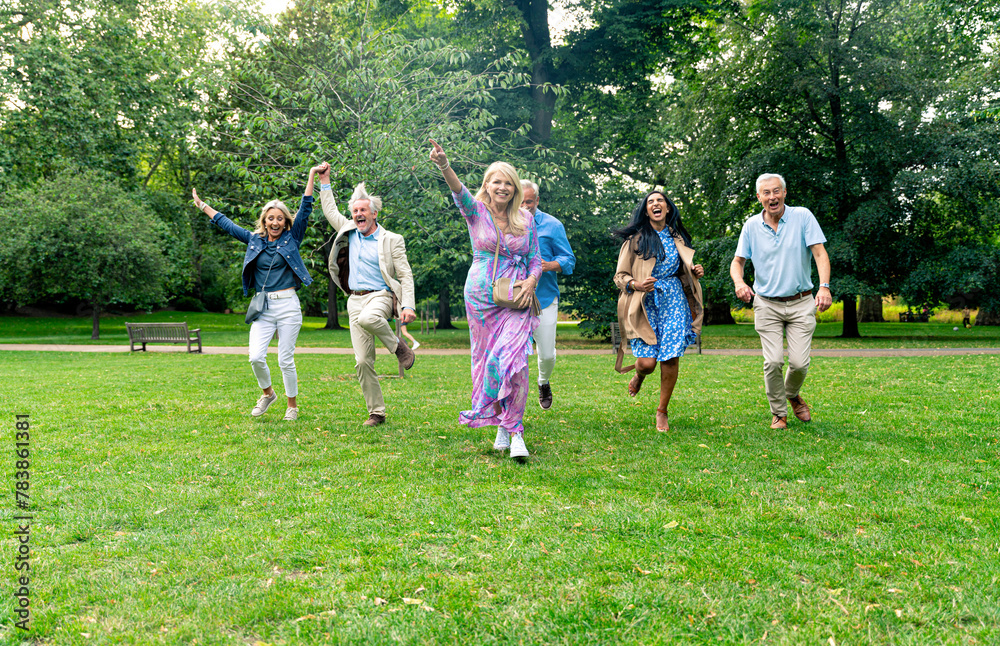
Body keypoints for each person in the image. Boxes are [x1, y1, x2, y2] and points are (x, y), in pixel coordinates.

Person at [429, 139, 542, 460]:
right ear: (487, 186)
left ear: (515, 188)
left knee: (516, 364)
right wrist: (443, 164)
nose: (502, 187)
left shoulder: (525, 218)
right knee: (489, 363)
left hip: (517, 294)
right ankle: (501, 427)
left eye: (508, 182)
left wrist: (532, 281)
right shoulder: (475, 211)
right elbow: (458, 191)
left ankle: (515, 432)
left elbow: (535, 258)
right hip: (481, 297)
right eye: (497, 181)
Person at [192, 165, 323, 421]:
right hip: (263, 308)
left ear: (286, 222)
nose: (275, 222)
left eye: (280, 218)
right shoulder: (254, 240)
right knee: (255, 357)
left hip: (288, 305)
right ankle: (268, 394)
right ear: (264, 221)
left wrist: (311, 175)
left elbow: (305, 208)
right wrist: (202, 205)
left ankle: (292, 406)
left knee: (285, 359)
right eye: (270, 218)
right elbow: (227, 225)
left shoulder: (292, 238)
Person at [315, 164, 416, 427]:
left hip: (380, 296)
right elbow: (329, 211)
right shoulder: (348, 230)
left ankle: (398, 347)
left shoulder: (392, 239)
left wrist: (408, 305)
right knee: (362, 361)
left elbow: (405, 275)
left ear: (374, 213)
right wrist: (324, 181)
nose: (358, 214)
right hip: (354, 299)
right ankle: (377, 412)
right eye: (355, 211)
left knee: (371, 318)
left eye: (363, 210)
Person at [730, 173, 832, 429]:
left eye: (777, 191)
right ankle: (779, 413)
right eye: (766, 193)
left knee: (799, 363)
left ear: (785, 193)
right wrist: (739, 283)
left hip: (801, 301)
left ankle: (792, 394)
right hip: (766, 304)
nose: (772, 197)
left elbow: (820, 253)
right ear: (759, 197)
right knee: (773, 361)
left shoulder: (803, 217)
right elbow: (737, 262)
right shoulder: (751, 226)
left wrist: (824, 287)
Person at [613, 191, 704, 433]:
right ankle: (639, 376)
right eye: (651, 202)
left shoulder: (678, 238)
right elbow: (619, 277)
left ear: (668, 208)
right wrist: (636, 284)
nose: (656, 204)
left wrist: (694, 271)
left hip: (673, 301)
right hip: (645, 303)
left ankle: (662, 411)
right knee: (646, 363)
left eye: (660, 200)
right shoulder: (635, 240)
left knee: (670, 357)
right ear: (646, 211)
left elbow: (681, 270)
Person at [520, 179, 576, 410]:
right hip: (513, 301)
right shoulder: (505, 222)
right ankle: (514, 402)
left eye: (529, 202)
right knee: (515, 356)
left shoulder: (553, 225)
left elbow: (569, 261)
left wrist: (548, 265)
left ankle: (543, 381)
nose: (524, 207)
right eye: (520, 202)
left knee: (547, 355)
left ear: (538, 200)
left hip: (544, 299)